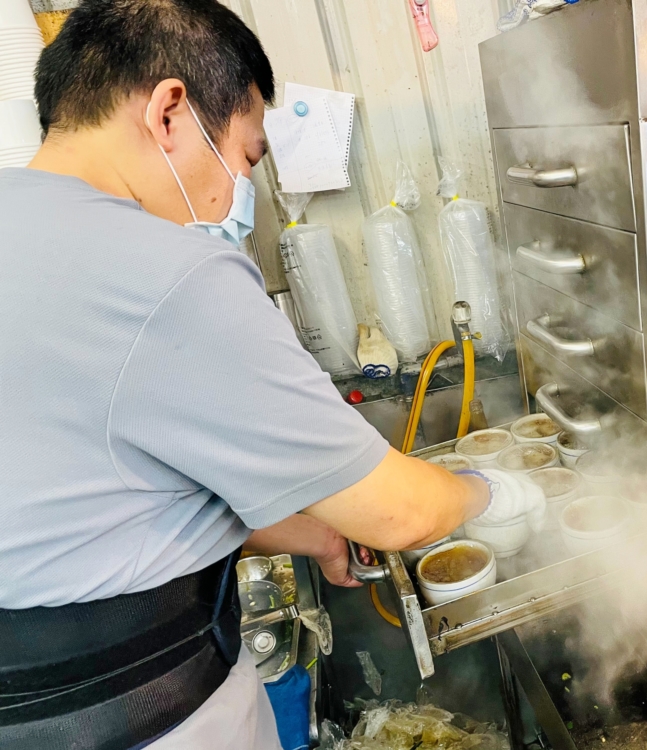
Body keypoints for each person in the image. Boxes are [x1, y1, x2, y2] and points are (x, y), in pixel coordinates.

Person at [0, 1, 542, 748]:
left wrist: (314, 537)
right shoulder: (169, 276)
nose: (236, 194)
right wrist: (497, 490)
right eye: (248, 157)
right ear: (169, 113)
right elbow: (400, 515)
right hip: (143, 713)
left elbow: (97, 497)